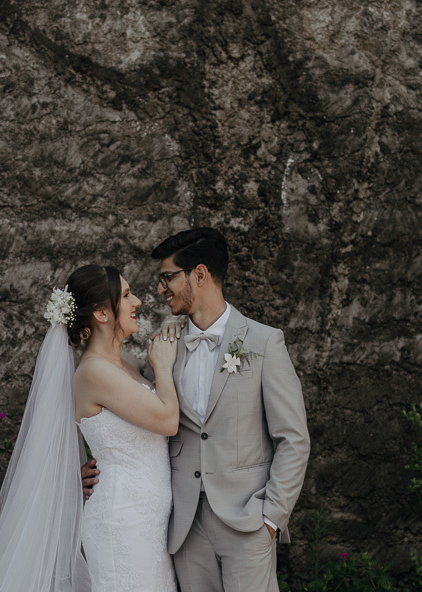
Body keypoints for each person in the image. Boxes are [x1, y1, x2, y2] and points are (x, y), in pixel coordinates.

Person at [83, 228, 310, 592]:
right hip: (184, 528)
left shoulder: (264, 342)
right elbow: (120, 412)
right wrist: (90, 469)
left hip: (248, 522)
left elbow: (294, 439)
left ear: (199, 275)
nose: (160, 289)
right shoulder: (163, 348)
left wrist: (272, 517)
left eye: (167, 277)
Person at [0, 265, 179, 592]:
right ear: (100, 313)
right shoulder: (94, 372)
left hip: (148, 525)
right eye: (125, 295)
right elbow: (167, 420)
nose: (137, 301)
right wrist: (164, 367)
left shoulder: (128, 363)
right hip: (122, 523)